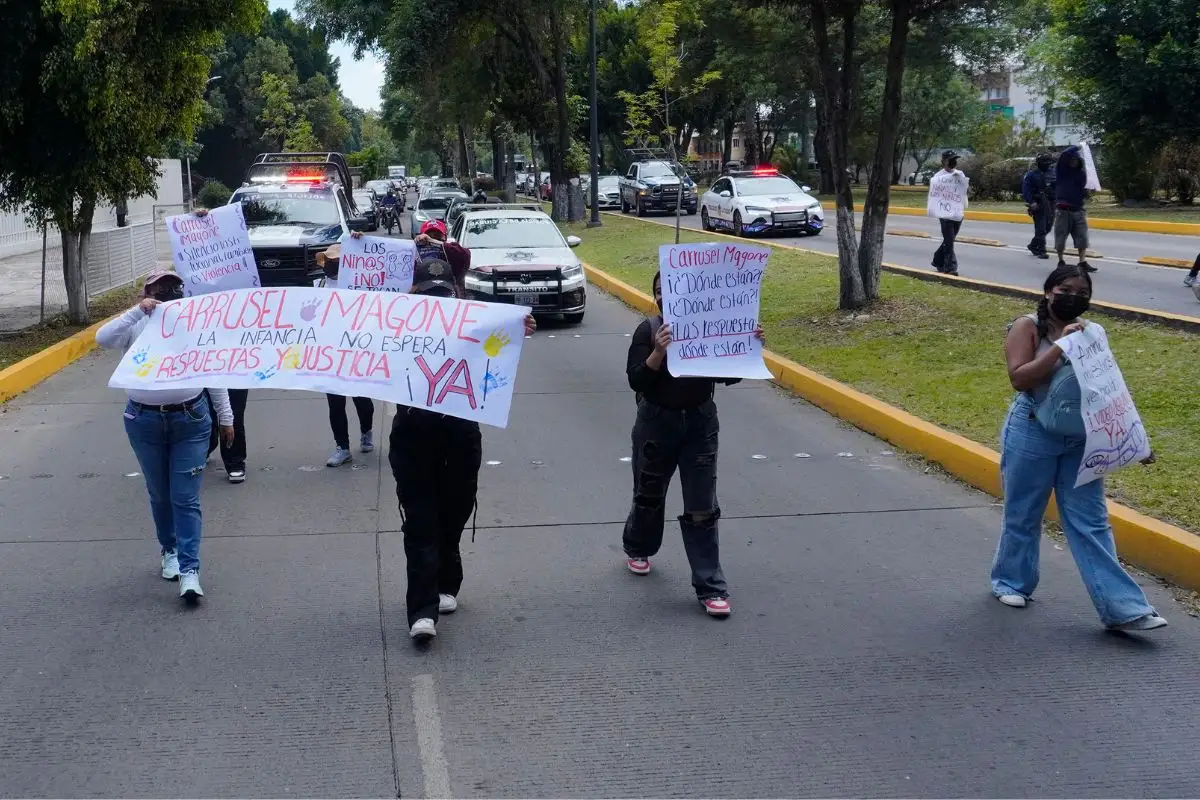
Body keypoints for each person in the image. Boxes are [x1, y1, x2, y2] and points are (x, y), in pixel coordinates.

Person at [992, 262, 1166, 631]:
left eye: (1082, 294)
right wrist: (1060, 347)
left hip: (1081, 437)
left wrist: (1135, 439)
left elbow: (1108, 389)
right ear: (1048, 291)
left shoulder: (1093, 332)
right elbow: (1019, 379)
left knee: (1091, 522)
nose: (1074, 298)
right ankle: (1012, 582)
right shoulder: (1027, 326)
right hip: (1032, 429)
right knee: (1023, 512)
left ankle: (1124, 608)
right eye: (1066, 291)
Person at [389, 219, 536, 643]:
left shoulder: (471, 327)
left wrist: (514, 333)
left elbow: (496, 356)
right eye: (425, 293)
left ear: (454, 293)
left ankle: (446, 579)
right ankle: (421, 610)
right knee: (420, 522)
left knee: (452, 513)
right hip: (413, 437)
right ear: (412, 293)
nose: (435, 301)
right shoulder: (395, 331)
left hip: (460, 437)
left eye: (443, 294)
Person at [622, 272, 766, 618]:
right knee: (649, 492)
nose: (663, 299)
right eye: (658, 293)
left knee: (702, 505)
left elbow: (729, 376)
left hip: (700, 424)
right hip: (657, 423)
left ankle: (710, 586)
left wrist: (748, 344)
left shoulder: (709, 327)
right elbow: (636, 380)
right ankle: (639, 546)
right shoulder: (649, 329)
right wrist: (658, 351)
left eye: (669, 292)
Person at [96, 269, 235, 601]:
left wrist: (226, 417)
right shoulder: (135, 324)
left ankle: (190, 570)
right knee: (159, 493)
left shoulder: (195, 324)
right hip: (144, 421)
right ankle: (169, 550)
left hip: (190, 419)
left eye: (173, 287)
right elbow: (102, 338)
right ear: (147, 292)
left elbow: (213, 370)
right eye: (159, 288)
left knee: (184, 497)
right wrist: (137, 310)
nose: (167, 292)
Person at [314, 240, 377, 467]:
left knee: (361, 398)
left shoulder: (357, 284)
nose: (331, 265)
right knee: (335, 403)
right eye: (329, 261)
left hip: (356, 349)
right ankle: (342, 447)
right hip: (330, 353)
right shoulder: (319, 285)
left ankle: (366, 431)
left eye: (336, 262)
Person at [1053, 144, 1096, 273]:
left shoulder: (1081, 174)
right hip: (1063, 210)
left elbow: (1083, 191)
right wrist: (1078, 147)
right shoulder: (1062, 171)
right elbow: (1064, 155)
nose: (1073, 162)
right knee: (1061, 237)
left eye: (1076, 160)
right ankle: (1061, 260)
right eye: (1071, 160)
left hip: (1078, 209)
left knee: (1082, 237)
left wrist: (1089, 192)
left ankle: (1082, 262)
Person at [931, 150, 965, 276]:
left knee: (949, 239)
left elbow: (964, 191)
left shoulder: (960, 173)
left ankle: (937, 259)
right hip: (945, 213)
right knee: (949, 240)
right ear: (943, 162)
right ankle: (951, 267)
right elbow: (935, 195)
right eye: (950, 159)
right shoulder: (938, 177)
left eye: (955, 159)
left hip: (958, 212)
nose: (953, 161)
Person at [1021, 153, 1055, 260]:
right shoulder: (1032, 175)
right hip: (1038, 203)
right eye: (1043, 162)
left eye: (1047, 162)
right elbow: (1026, 190)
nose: (1046, 164)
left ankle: (1032, 245)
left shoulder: (1053, 173)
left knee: (1048, 227)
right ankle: (1041, 250)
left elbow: (1057, 187)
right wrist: (1031, 202)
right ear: (1038, 163)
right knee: (1040, 228)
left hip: (1051, 203)